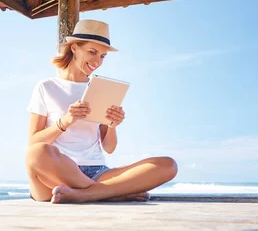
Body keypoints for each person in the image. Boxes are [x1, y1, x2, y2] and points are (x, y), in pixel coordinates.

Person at [25, 19, 178, 203]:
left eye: (103, 56)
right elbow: (34, 142)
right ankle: (112, 193)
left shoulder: (101, 89)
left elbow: (109, 148)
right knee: (36, 153)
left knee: (168, 165)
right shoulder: (46, 87)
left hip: (97, 172)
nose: (97, 61)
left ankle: (85, 194)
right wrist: (65, 121)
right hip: (56, 173)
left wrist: (112, 126)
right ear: (74, 48)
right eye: (92, 52)